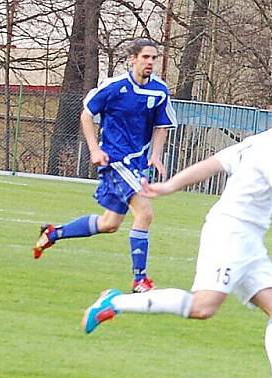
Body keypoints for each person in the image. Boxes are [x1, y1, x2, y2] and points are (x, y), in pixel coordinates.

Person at [81, 85, 272, 378]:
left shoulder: (258, 141)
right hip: (231, 235)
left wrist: (169, 186)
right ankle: (115, 302)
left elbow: (211, 164)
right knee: (203, 307)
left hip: (248, 241)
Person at [33, 38, 176, 293]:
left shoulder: (160, 90)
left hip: (137, 162)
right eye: (145, 57)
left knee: (109, 223)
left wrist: (156, 155)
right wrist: (94, 149)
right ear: (132, 59)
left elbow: (162, 124)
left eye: (154, 58)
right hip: (115, 160)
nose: (150, 62)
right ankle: (140, 280)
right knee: (145, 213)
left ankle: (53, 233)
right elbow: (87, 113)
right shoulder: (114, 87)